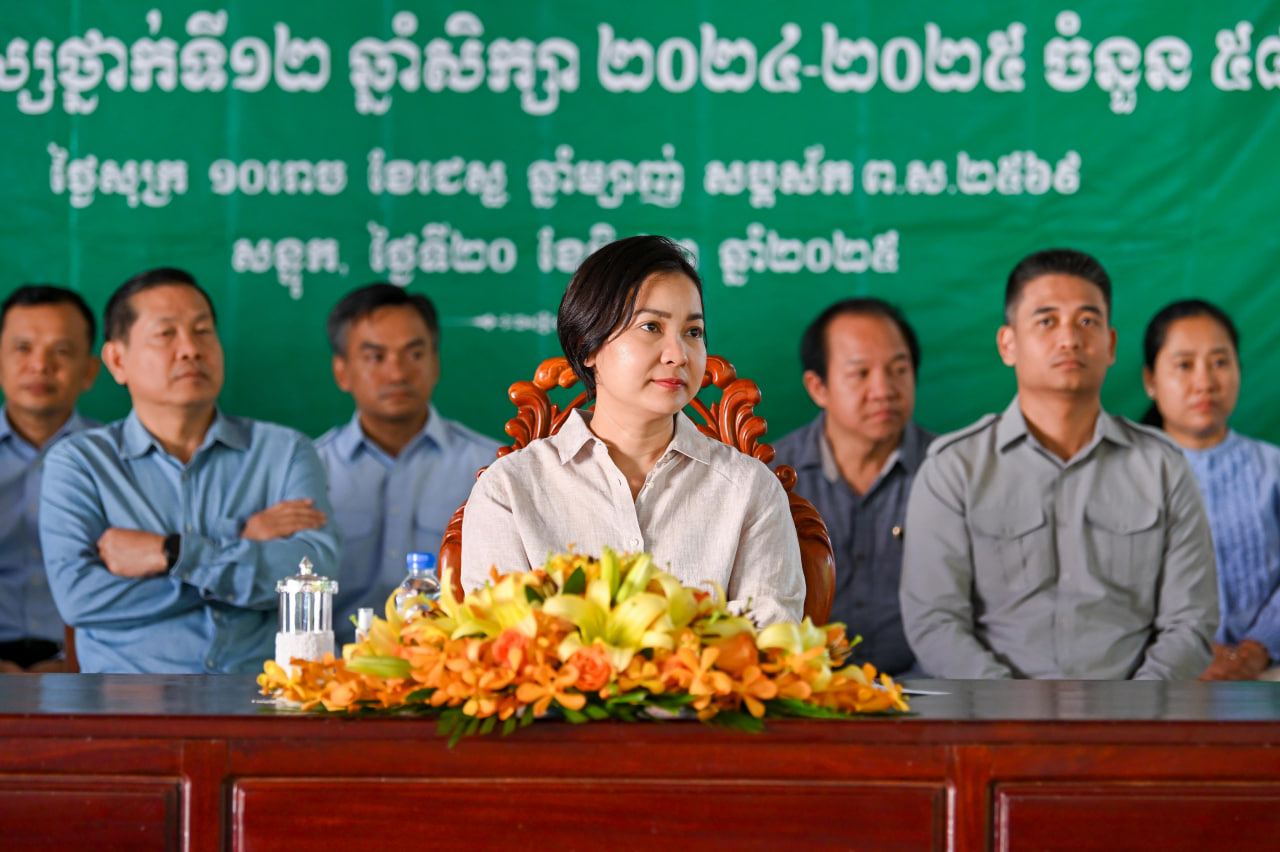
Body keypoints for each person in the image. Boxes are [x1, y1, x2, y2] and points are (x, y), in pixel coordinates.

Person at [900, 248, 1218, 679]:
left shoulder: (1163, 467)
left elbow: (1191, 621)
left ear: (1111, 345)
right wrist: (1013, 710)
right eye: (1046, 321)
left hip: (1134, 710)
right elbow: (934, 623)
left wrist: (1134, 707)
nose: (1069, 339)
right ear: (1008, 344)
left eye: (1087, 321)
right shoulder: (954, 469)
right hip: (989, 712)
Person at [461, 235, 805, 626]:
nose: (678, 355)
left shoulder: (749, 489)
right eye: (651, 326)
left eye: (693, 332)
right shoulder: (509, 490)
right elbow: (501, 645)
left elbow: (771, 642)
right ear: (587, 346)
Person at [39, 268, 338, 673]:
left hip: (261, 695)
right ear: (117, 360)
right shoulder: (79, 463)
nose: (190, 350)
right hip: (129, 700)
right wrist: (238, 547)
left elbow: (315, 580)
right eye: (166, 334)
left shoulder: (285, 451)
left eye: (203, 331)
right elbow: (80, 599)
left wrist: (171, 552)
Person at [316, 283, 499, 643]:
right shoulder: (308, 472)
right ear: (341, 371)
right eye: (376, 357)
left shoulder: (492, 467)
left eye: (414, 354)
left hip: (451, 666)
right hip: (331, 666)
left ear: (436, 363)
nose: (397, 373)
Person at [771, 299, 934, 677]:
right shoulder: (770, 476)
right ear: (818, 387)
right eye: (860, 373)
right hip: (801, 691)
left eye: (898, 370)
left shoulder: (950, 473)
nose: (883, 390)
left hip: (928, 693)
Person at [1141, 299, 1280, 681]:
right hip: (1158, 674)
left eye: (1220, 362)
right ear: (1151, 380)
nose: (1204, 382)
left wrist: (1257, 649)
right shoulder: (1120, 478)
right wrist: (1190, 652)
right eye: (1184, 365)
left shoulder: (1273, 469)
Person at [0, 285, 101, 672]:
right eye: (23, 348)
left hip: (89, 669)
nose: (40, 365)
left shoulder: (118, 461)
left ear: (90, 371)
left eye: (61, 350)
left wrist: (76, 665)